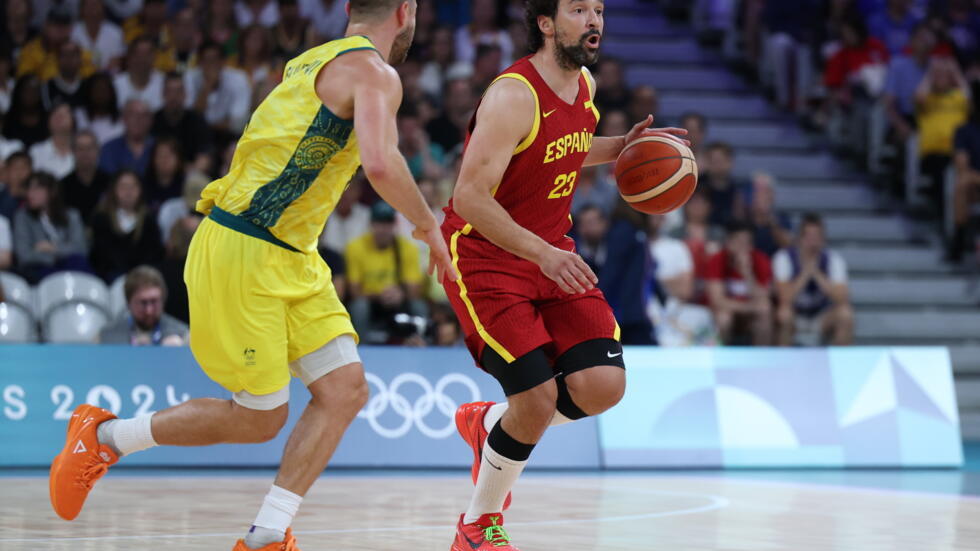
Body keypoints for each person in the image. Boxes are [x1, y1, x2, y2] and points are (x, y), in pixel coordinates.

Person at [49, 5, 455, 551]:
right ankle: (102, 438)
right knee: (261, 417)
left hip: (293, 254)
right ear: (405, 11)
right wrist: (430, 225)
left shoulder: (313, 59)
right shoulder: (375, 72)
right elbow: (381, 163)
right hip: (247, 245)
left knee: (344, 389)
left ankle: (266, 535)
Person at [441, 1, 687, 548]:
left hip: (550, 254)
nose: (594, 19)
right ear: (547, 24)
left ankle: (489, 425)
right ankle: (477, 526)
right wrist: (543, 254)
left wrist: (621, 150)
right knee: (536, 403)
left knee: (603, 386)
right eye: (579, 8)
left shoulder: (586, 88)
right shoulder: (512, 95)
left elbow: (562, 151)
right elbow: (469, 197)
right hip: (487, 259)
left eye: (598, 9)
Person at [773, 213, 853, 346]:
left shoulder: (833, 260)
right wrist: (805, 273)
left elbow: (842, 298)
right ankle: (783, 361)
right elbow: (785, 298)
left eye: (817, 237)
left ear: (823, 239)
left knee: (845, 313)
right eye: (809, 237)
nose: (813, 242)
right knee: (784, 313)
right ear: (800, 239)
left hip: (821, 317)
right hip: (795, 316)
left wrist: (816, 273)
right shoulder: (784, 258)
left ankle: (841, 363)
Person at [12, 171, 89, 283]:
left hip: (72, 266)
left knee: (78, 262)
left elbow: (81, 249)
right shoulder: (22, 217)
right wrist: (56, 257)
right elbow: (24, 256)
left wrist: (52, 248)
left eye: (37, 189)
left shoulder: (72, 215)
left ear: (52, 192)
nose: (30, 194)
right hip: (40, 270)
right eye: (29, 189)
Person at [88, 170, 164, 282]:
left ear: (141, 190)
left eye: (133, 187)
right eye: (123, 187)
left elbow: (154, 253)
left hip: (142, 278)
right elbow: (99, 254)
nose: (129, 192)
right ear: (114, 190)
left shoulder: (149, 220)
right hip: (109, 278)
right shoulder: (101, 219)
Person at [706, 222, 773, 345]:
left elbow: (764, 297)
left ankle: (762, 359)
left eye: (747, 243)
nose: (742, 247)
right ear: (728, 242)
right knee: (723, 318)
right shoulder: (717, 259)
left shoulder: (760, 259)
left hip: (750, 315)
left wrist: (747, 273)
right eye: (738, 242)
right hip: (731, 311)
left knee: (764, 313)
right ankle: (722, 358)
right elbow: (717, 300)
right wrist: (750, 307)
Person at [98, 264, 189, 345]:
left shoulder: (183, 335)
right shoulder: (106, 338)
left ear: (163, 299)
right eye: (143, 303)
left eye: (154, 301)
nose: (149, 310)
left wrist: (178, 353)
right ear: (129, 303)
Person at [152, 72, 214, 171]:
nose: (174, 96)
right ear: (163, 94)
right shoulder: (153, 121)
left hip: (189, 175)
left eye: (178, 91)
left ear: (185, 94)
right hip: (159, 173)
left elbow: (205, 156)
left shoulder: (196, 120)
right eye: (170, 91)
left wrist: (190, 172)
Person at [60, 129, 109, 222]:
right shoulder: (62, 185)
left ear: (98, 151)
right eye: (80, 148)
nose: (85, 153)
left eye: (89, 148)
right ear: (73, 152)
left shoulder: (110, 182)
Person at [98, 98, 155, 178]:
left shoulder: (159, 148)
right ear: (123, 118)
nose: (138, 119)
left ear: (151, 120)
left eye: (144, 115)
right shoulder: (108, 149)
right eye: (132, 114)